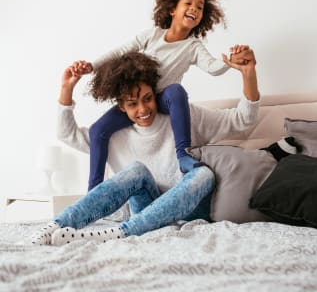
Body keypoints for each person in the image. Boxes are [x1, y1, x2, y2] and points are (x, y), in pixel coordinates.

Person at [30, 47, 259, 246]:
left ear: (155, 94)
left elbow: (242, 121)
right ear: (121, 107)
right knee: (136, 170)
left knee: (204, 174)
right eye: (132, 103)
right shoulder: (114, 135)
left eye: (147, 98)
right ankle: (54, 227)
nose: (143, 109)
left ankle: (121, 232)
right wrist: (66, 89)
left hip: (190, 211)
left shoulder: (186, 116)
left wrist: (248, 74)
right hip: (143, 211)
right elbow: (66, 134)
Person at [71, 0, 248, 191]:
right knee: (97, 130)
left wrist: (230, 60)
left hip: (162, 100)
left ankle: (183, 154)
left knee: (176, 91)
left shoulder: (193, 46)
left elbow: (213, 67)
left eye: (200, 7)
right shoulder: (152, 34)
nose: (195, 8)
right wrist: (90, 66)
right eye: (189, 3)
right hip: (139, 99)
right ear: (173, 8)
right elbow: (120, 51)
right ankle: (93, 189)